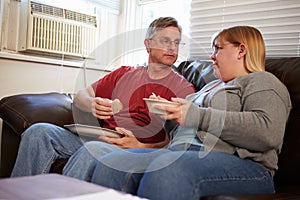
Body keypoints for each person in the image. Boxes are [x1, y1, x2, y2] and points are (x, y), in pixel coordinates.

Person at [89, 26, 292, 200]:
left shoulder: (262, 81)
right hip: (181, 154)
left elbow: (268, 132)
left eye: (218, 49)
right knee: (115, 162)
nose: (212, 56)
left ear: (241, 50)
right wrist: (167, 114)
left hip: (248, 168)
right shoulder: (210, 86)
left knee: (168, 169)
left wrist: (195, 114)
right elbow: (185, 133)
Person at [10, 17, 195, 178]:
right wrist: (92, 104)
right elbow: (82, 95)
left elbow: (182, 142)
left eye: (177, 42)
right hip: (101, 138)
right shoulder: (124, 73)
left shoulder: (183, 89)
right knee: (39, 132)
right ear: (148, 44)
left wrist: (141, 146)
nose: (172, 48)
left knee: (92, 151)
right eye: (165, 41)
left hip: (132, 148)